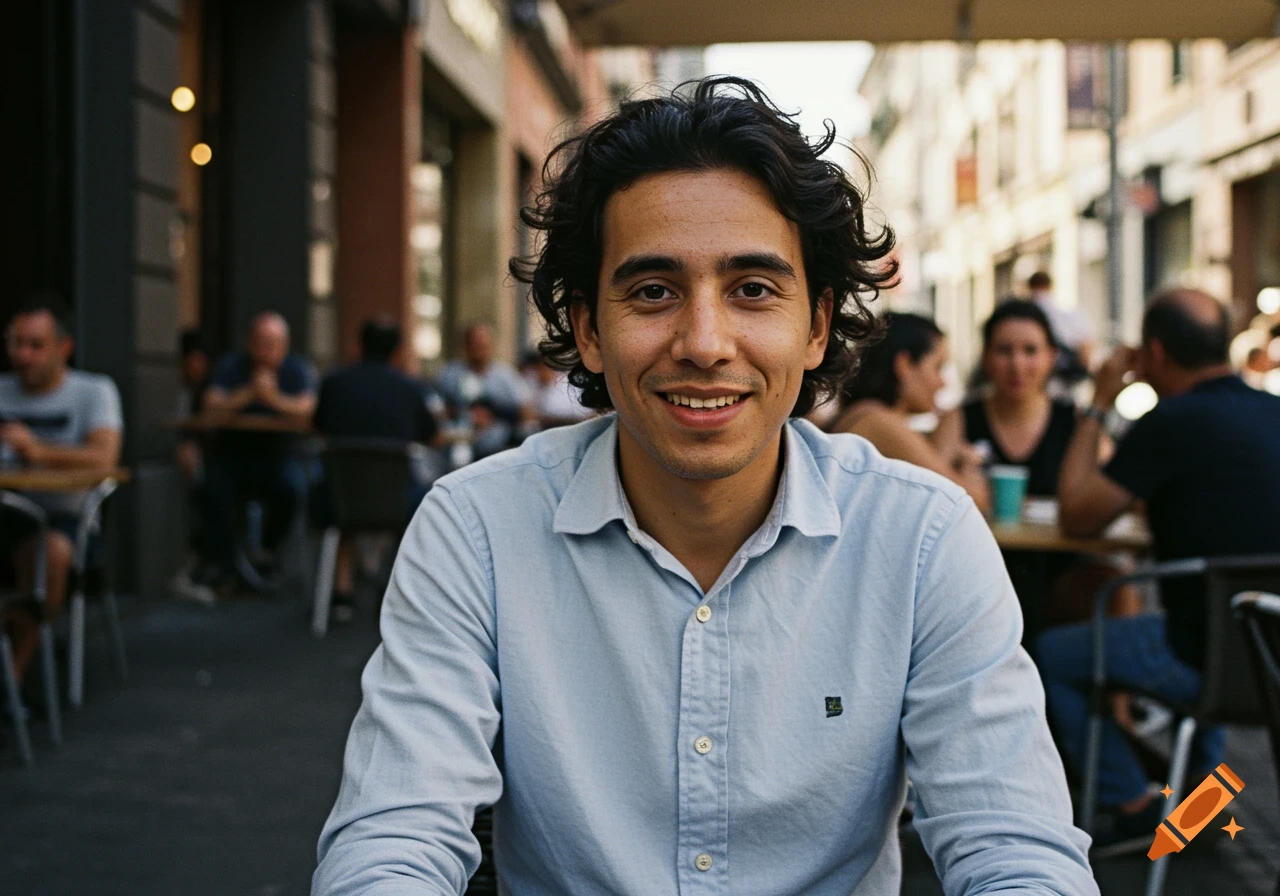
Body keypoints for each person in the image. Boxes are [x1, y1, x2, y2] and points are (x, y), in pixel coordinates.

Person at [314, 77, 1095, 895]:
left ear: (817, 325)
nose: (705, 342)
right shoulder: (476, 528)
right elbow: (393, 837)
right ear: (586, 328)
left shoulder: (922, 538)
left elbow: (1015, 846)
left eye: (753, 290)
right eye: (653, 292)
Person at [1042, 287, 1280, 847]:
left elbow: (1077, 515)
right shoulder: (1273, 412)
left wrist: (1101, 401)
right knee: (1221, 626)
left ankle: (1132, 801)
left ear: (1154, 353)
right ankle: (1202, 815)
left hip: (1200, 654)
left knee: (1051, 655)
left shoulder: (1168, 422)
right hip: (1270, 651)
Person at [962, 300, 1134, 652]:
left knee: (1120, 589)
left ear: (1052, 357)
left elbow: (1115, 487)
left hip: (1062, 573)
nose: (1017, 364)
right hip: (978, 572)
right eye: (1004, 351)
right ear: (986, 357)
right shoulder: (961, 419)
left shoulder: (1075, 423)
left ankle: (1117, 705)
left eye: (1030, 351)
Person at [0, 292, 123, 692]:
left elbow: (105, 458)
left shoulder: (93, 391)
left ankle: (11, 681)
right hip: (5, 513)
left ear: (64, 347)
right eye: (17, 343)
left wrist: (35, 450)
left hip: (63, 519)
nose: (24, 355)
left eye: (36, 345)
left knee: (47, 554)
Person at [313, 317, 437, 620]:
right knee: (426, 495)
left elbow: (318, 427)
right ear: (397, 352)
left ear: (357, 347)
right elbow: (432, 435)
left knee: (345, 500)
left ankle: (341, 593)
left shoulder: (334, 383)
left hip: (339, 501)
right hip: (395, 503)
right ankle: (396, 588)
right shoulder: (410, 390)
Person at [830, 312, 991, 512]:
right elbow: (968, 500)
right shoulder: (877, 421)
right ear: (905, 365)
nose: (942, 382)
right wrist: (967, 467)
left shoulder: (870, 416)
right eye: (938, 367)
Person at [201, 312, 316, 589]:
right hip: (234, 454)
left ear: (285, 345)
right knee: (212, 489)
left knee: (292, 488)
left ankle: (268, 548)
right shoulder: (232, 366)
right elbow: (211, 407)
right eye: (261, 343)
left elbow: (308, 412)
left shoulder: (296, 369)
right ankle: (224, 563)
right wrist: (250, 393)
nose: (266, 352)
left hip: (280, 455)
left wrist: (273, 398)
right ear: (249, 343)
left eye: (273, 344)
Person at [435, 322, 530, 423]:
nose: (478, 350)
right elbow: (437, 408)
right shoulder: (450, 374)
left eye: (482, 345)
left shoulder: (506, 375)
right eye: (474, 344)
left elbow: (526, 410)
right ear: (465, 346)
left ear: (491, 346)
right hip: (459, 432)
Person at [1028, 271, 1095, 382]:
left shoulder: (1027, 313)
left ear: (1030, 287)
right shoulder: (1070, 311)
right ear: (1050, 286)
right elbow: (1086, 345)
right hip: (1069, 378)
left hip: (1043, 379)